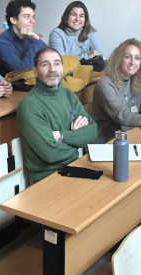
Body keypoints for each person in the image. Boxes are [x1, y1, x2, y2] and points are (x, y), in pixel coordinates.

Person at [17, 47, 96, 183]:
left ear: (62, 68)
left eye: (57, 63)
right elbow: (50, 154)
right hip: (47, 179)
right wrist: (77, 143)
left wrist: (61, 136)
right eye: (45, 64)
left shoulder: (68, 95)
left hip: (74, 167)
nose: (52, 69)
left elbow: (92, 132)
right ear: (35, 71)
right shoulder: (29, 105)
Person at [0, 0, 47, 76]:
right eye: (26, 17)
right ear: (13, 20)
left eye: (33, 17)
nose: (32, 21)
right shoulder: (0, 43)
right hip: (12, 86)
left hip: (32, 81)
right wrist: (35, 39)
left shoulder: (28, 37)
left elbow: (52, 55)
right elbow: (22, 71)